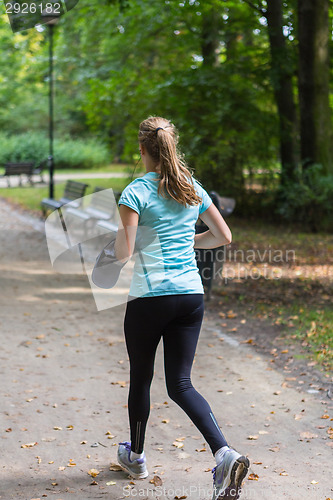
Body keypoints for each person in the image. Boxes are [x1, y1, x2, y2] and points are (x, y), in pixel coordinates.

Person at [114, 116, 249, 500]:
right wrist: (187, 244)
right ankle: (225, 453)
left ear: (142, 150)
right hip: (190, 297)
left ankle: (136, 458)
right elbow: (223, 235)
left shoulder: (135, 191)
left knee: (142, 377)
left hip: (149, 298)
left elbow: (123, 252)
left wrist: (101, 250)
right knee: (181, 383)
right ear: (171, 146)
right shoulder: (191, 187)